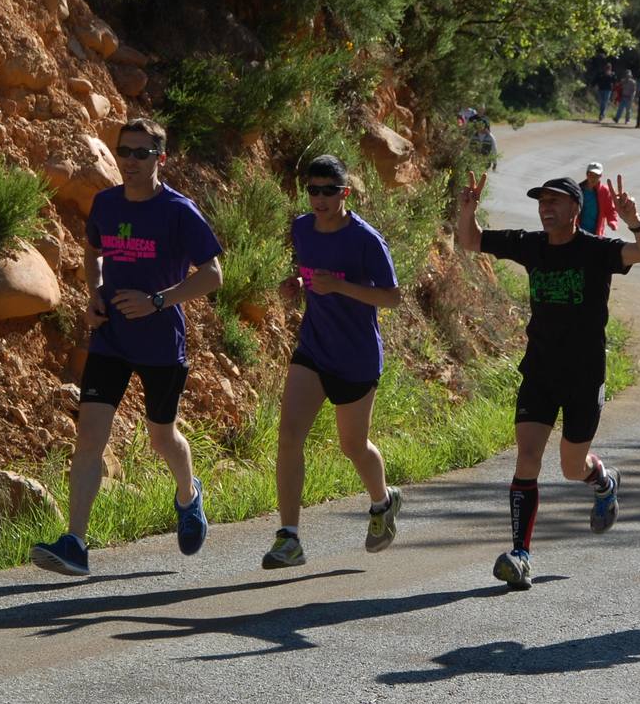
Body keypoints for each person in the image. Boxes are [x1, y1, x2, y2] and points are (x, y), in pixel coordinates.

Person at [31, 118, 224, 577]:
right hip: (111, 339)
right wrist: (94, 293)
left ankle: (188, 495)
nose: (130, 161)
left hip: (161, 344)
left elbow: (213, 274)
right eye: (125, 151)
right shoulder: (106, 202)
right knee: (89, 438)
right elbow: (93, 251)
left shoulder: (179, 211)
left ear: (161, 158)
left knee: (162, 437)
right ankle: (75, 543)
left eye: (141, 153)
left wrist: (157, 301)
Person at [456, 169, 640, 590]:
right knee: (527, 457)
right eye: (541, 202)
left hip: (584, 377)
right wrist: (468, 211)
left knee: (571, 467)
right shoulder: (530, 245)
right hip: (540, 371)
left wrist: (634, 220)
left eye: (554, 202)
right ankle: (520, 554)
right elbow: (471, 240)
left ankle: (602, 480)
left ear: (574, 208)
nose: (545, 209)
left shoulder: (596, 251)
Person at [262, 155, 404, 568]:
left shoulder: (366, 239)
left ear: (346, 193)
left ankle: (382, 502)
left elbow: (392, 297)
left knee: (353, 445)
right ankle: (289, 538)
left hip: (356, 357)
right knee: (289, 436)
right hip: (314, 348)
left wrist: (340, 287)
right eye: (312, 190)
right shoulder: (302, 228)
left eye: (329, 191)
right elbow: (313, 276)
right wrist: (300, 284)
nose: (319, 199)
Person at [579, 162, 618, 236]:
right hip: (578, 231)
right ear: (587, 174)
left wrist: (612, 222)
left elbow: (610, 210)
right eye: (590, 174)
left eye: (596, 175)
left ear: (600, 176)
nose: (593, 178)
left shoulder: (605, 191)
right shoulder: (578, 190)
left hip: (596, 233)